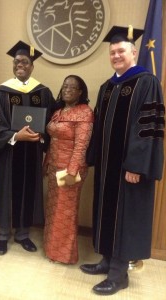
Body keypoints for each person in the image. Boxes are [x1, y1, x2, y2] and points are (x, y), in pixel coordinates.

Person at [80, 25, 165, 295]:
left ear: (134, 53)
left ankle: (119, 274)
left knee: (125, 217)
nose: (116, 55)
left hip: (129, 169)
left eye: (121, 51)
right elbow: (98, 125)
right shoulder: (107, 87)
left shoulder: (146, 82)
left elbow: (147, 126)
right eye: (113, 52)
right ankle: (107, 261)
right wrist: (91, 157)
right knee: (106, 213)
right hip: (108, 168)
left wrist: (135, 165)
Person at [0, 40, 56, 255]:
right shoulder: (1, 92)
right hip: (10, 152)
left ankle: (23, 234)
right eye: (17, 61)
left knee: (29, 191)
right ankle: (3, 235)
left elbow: (53, 121)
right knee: (7, 190)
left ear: (32, 65)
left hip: (32, 153)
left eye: (25, 61)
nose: (20, 65)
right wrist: (16, 135)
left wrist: (40, 135)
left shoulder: (43, 92)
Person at [43, 75, 94, 264]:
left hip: (70, 169)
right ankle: (51, 249)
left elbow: (82, 145)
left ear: (80, 92)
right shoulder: (59, 111)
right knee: (54, 208)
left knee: (65, 211)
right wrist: (46, 163)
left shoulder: (84, 112)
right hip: (54, 166)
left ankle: (63, 254)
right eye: (65, 86)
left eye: (72, 88)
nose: (67, 90)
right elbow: (52, 141)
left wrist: (72, 171)